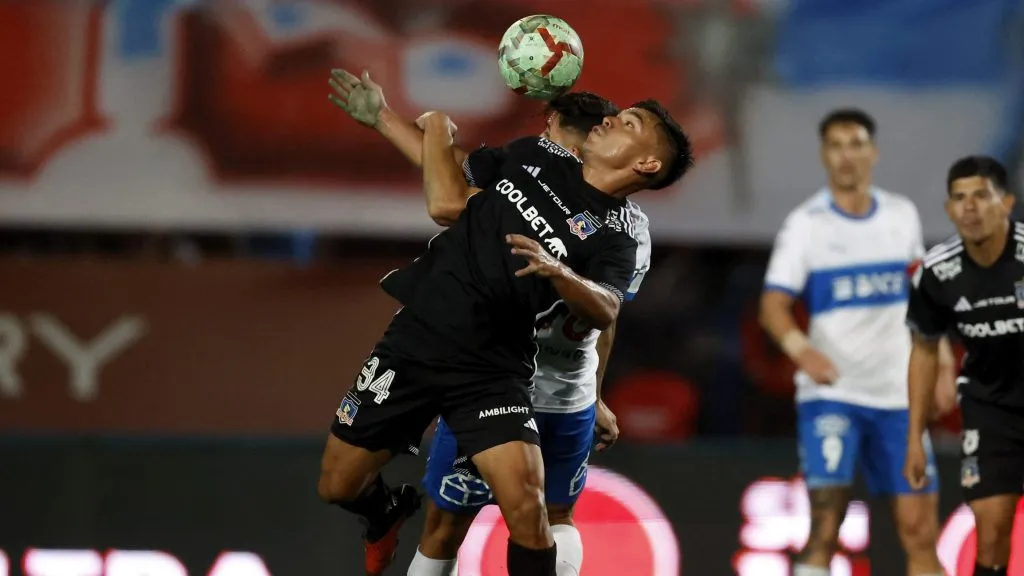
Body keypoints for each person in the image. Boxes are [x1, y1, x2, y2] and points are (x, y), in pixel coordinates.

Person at [319, 69, 692, 576]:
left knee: (529, 508)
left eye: (627, 122)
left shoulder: (617, 237)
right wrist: (385, 119)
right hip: (416, 339)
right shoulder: (535, 156)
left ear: (647, 163)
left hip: (495, 366)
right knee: (338, 485)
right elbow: (449, 183)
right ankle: (383, 513)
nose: (609, 121)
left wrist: (560, 272)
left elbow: (606, 310)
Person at [759, 109, 953, 576]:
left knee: (921, 531)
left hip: (899, 396)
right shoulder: (806, 224)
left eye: (856, 143)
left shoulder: (900, 214)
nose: (846, 155)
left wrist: (943, 363)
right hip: (834, 396)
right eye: (836, 145)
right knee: (826, 525)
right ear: (824, 155)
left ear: (873, 152)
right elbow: (772, 306)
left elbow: (921, 297)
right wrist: (800, 349)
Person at [905, 156, 1024, 576]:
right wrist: (915, 436)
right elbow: (923, 349)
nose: (969, 207)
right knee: (991, 530)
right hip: (990, 411)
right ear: (948, 210)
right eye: (959, 198)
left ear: (1006, 203)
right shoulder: (938, 273)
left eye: (981, 196)